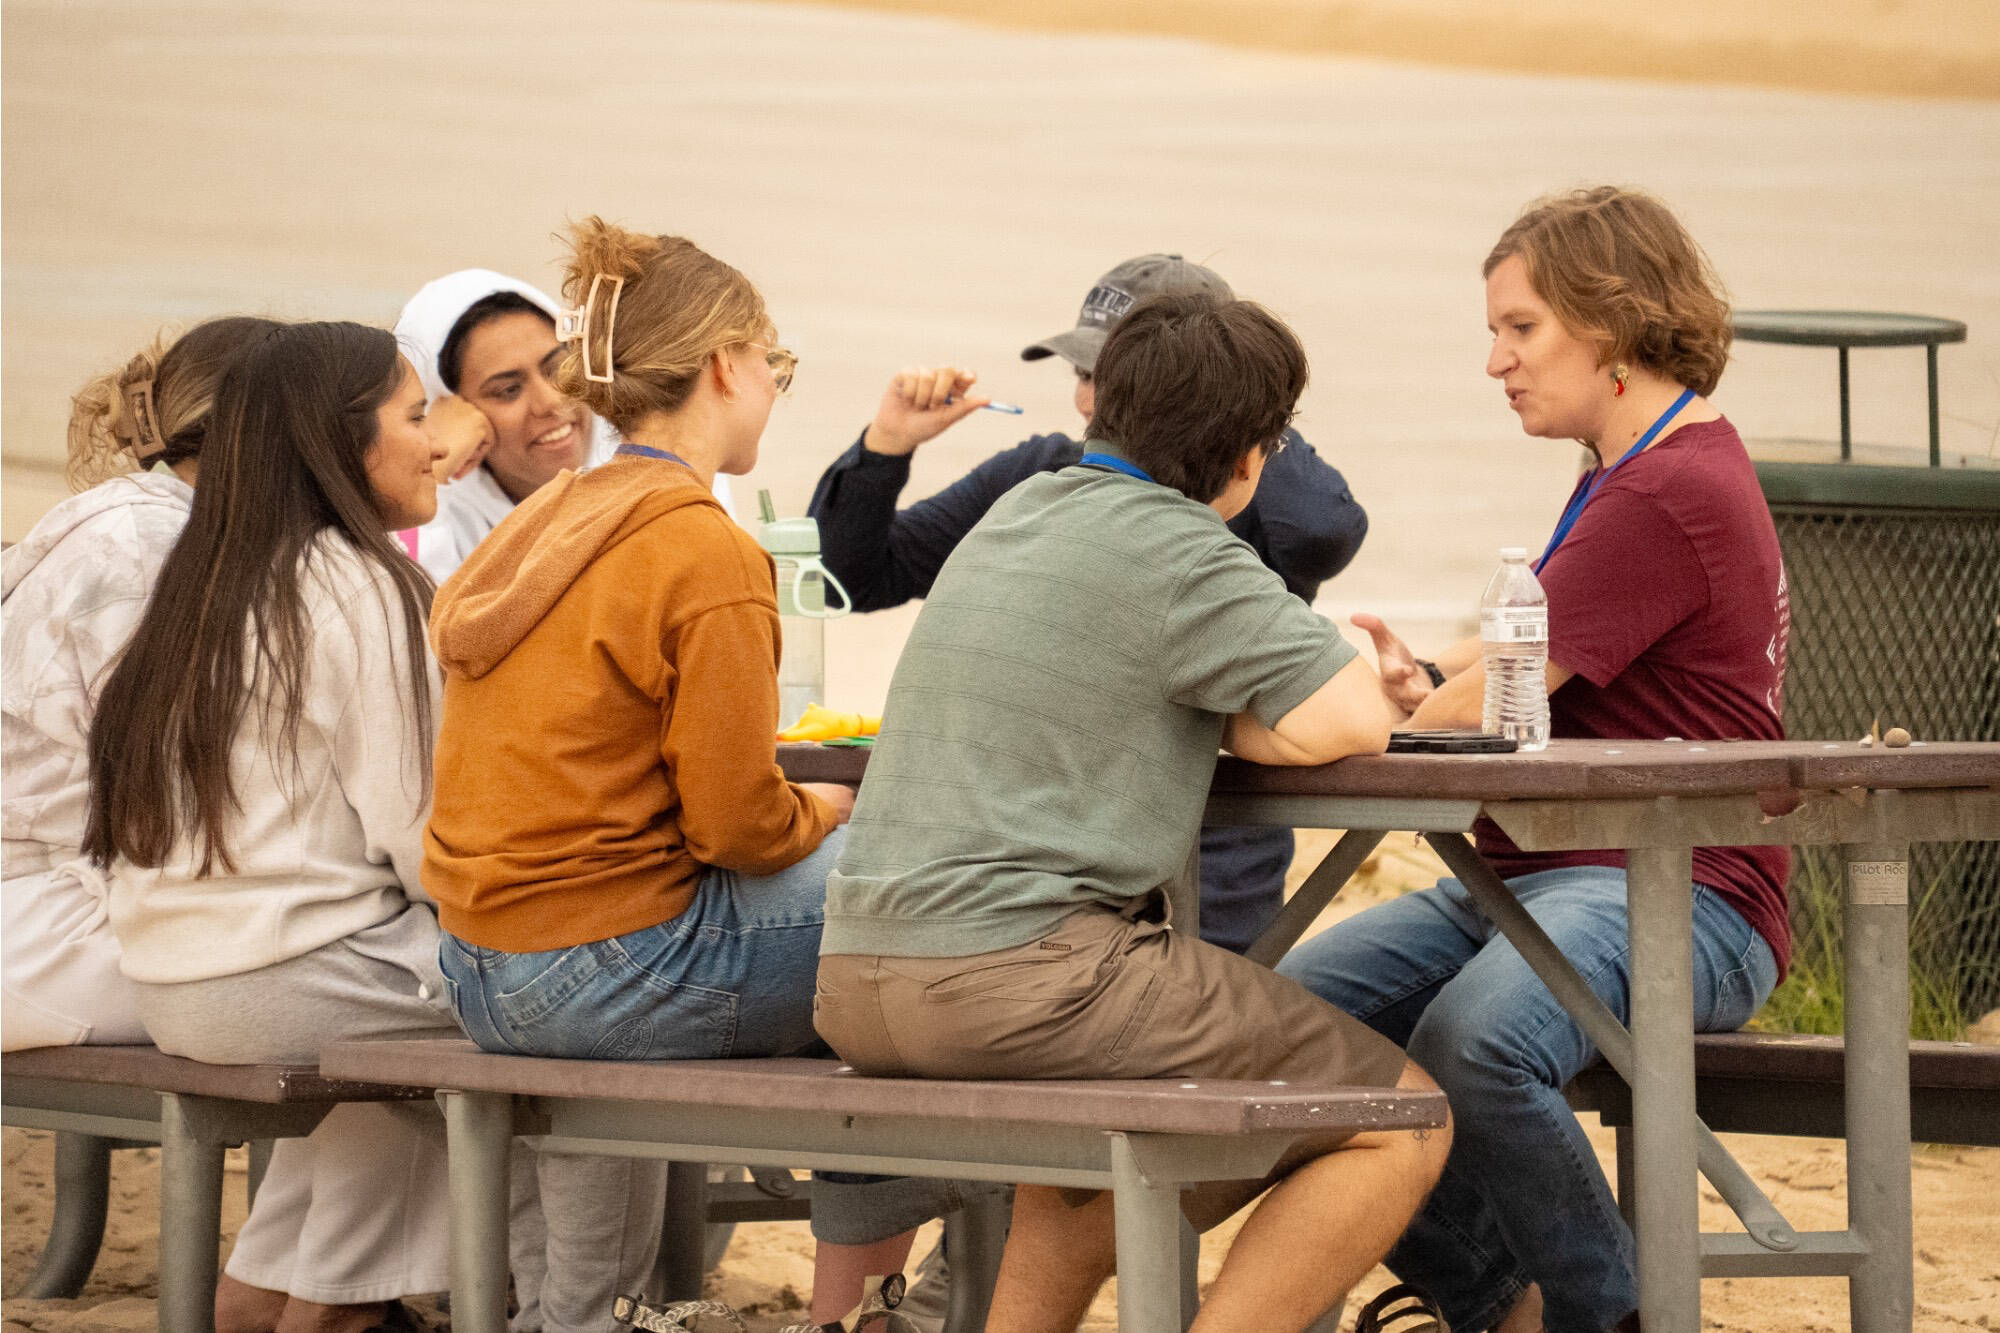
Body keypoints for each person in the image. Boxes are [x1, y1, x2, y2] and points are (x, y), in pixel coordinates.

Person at [814, 290, 1452, 1333]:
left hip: (858, 974)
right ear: (1251, 457)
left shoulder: (1015, 512)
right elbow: (1351, 720)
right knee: (1400, 1118)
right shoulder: (1184, 550)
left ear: (1101, 409)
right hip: (1021, 976)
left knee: (1094, 1170)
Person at [1279, 186, 1789, 1333]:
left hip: (1683, 889)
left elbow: (1505, 683)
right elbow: (1526, 639)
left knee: (1478, 1041)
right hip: (1544, 875)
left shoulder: (1666, 487)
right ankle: (1497, 1300)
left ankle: (1604, 1316)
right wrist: (1429, 682)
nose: (1496, 361)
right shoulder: (1629, 467)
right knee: (1290, 1021)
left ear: (1606, 322)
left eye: (1520, 329)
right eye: (1494, 333)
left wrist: (1353, 705)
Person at [422, 218, 919, 1329]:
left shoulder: (546, 516)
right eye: (776, 366)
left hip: (480, 963)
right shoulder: (701, 545)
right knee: (935, 919)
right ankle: (883, 1298)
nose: (776, 390)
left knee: (887, 911)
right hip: (612, 969)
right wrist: (821, 810)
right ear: (724, 365)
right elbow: (737, 825)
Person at [808, 253, 1371, 957]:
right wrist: (884, 447)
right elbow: (851, 576)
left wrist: (1243, 413)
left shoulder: (1260, 498)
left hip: (1219, 845)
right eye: (1083, 373)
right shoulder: (1042, 478)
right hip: (1053, 861)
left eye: (1112, 373)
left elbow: (1328, 529)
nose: (1090, 398)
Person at [82, 321, 459, 1333]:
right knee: (517, 1009)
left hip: (178, 979)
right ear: (339, 441)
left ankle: (259, 1293)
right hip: (288, 976)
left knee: (410, 1006)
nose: (440, 442)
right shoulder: (364, 585)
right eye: (417, 415)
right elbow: (425, 843)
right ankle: (340, 1308)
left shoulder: (208, 580)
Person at [3, 316, 278, 1052]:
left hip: (54, 916)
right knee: (364, 985)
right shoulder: (152, 549)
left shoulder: (141, 524)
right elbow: (166, 798)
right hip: (43, 930)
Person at [392, 268, 734, 584]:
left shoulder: (665, 460)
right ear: (447, 408)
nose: (551, 402)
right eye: (509, 390)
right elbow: (414, 628)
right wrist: (431, 469)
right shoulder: (434, 520)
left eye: (557, 369)